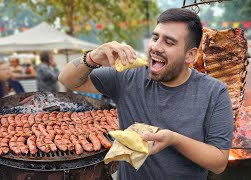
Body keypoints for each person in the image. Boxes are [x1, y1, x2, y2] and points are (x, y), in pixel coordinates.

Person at [59, 8, 234, 180]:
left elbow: (219, 162)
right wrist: (92, 58)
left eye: (169, 42)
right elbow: (67, 79)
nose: (156, 47)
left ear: (190, 55)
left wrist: (174, 140)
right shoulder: (129, 76)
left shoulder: (214, 92)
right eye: (155, 37)